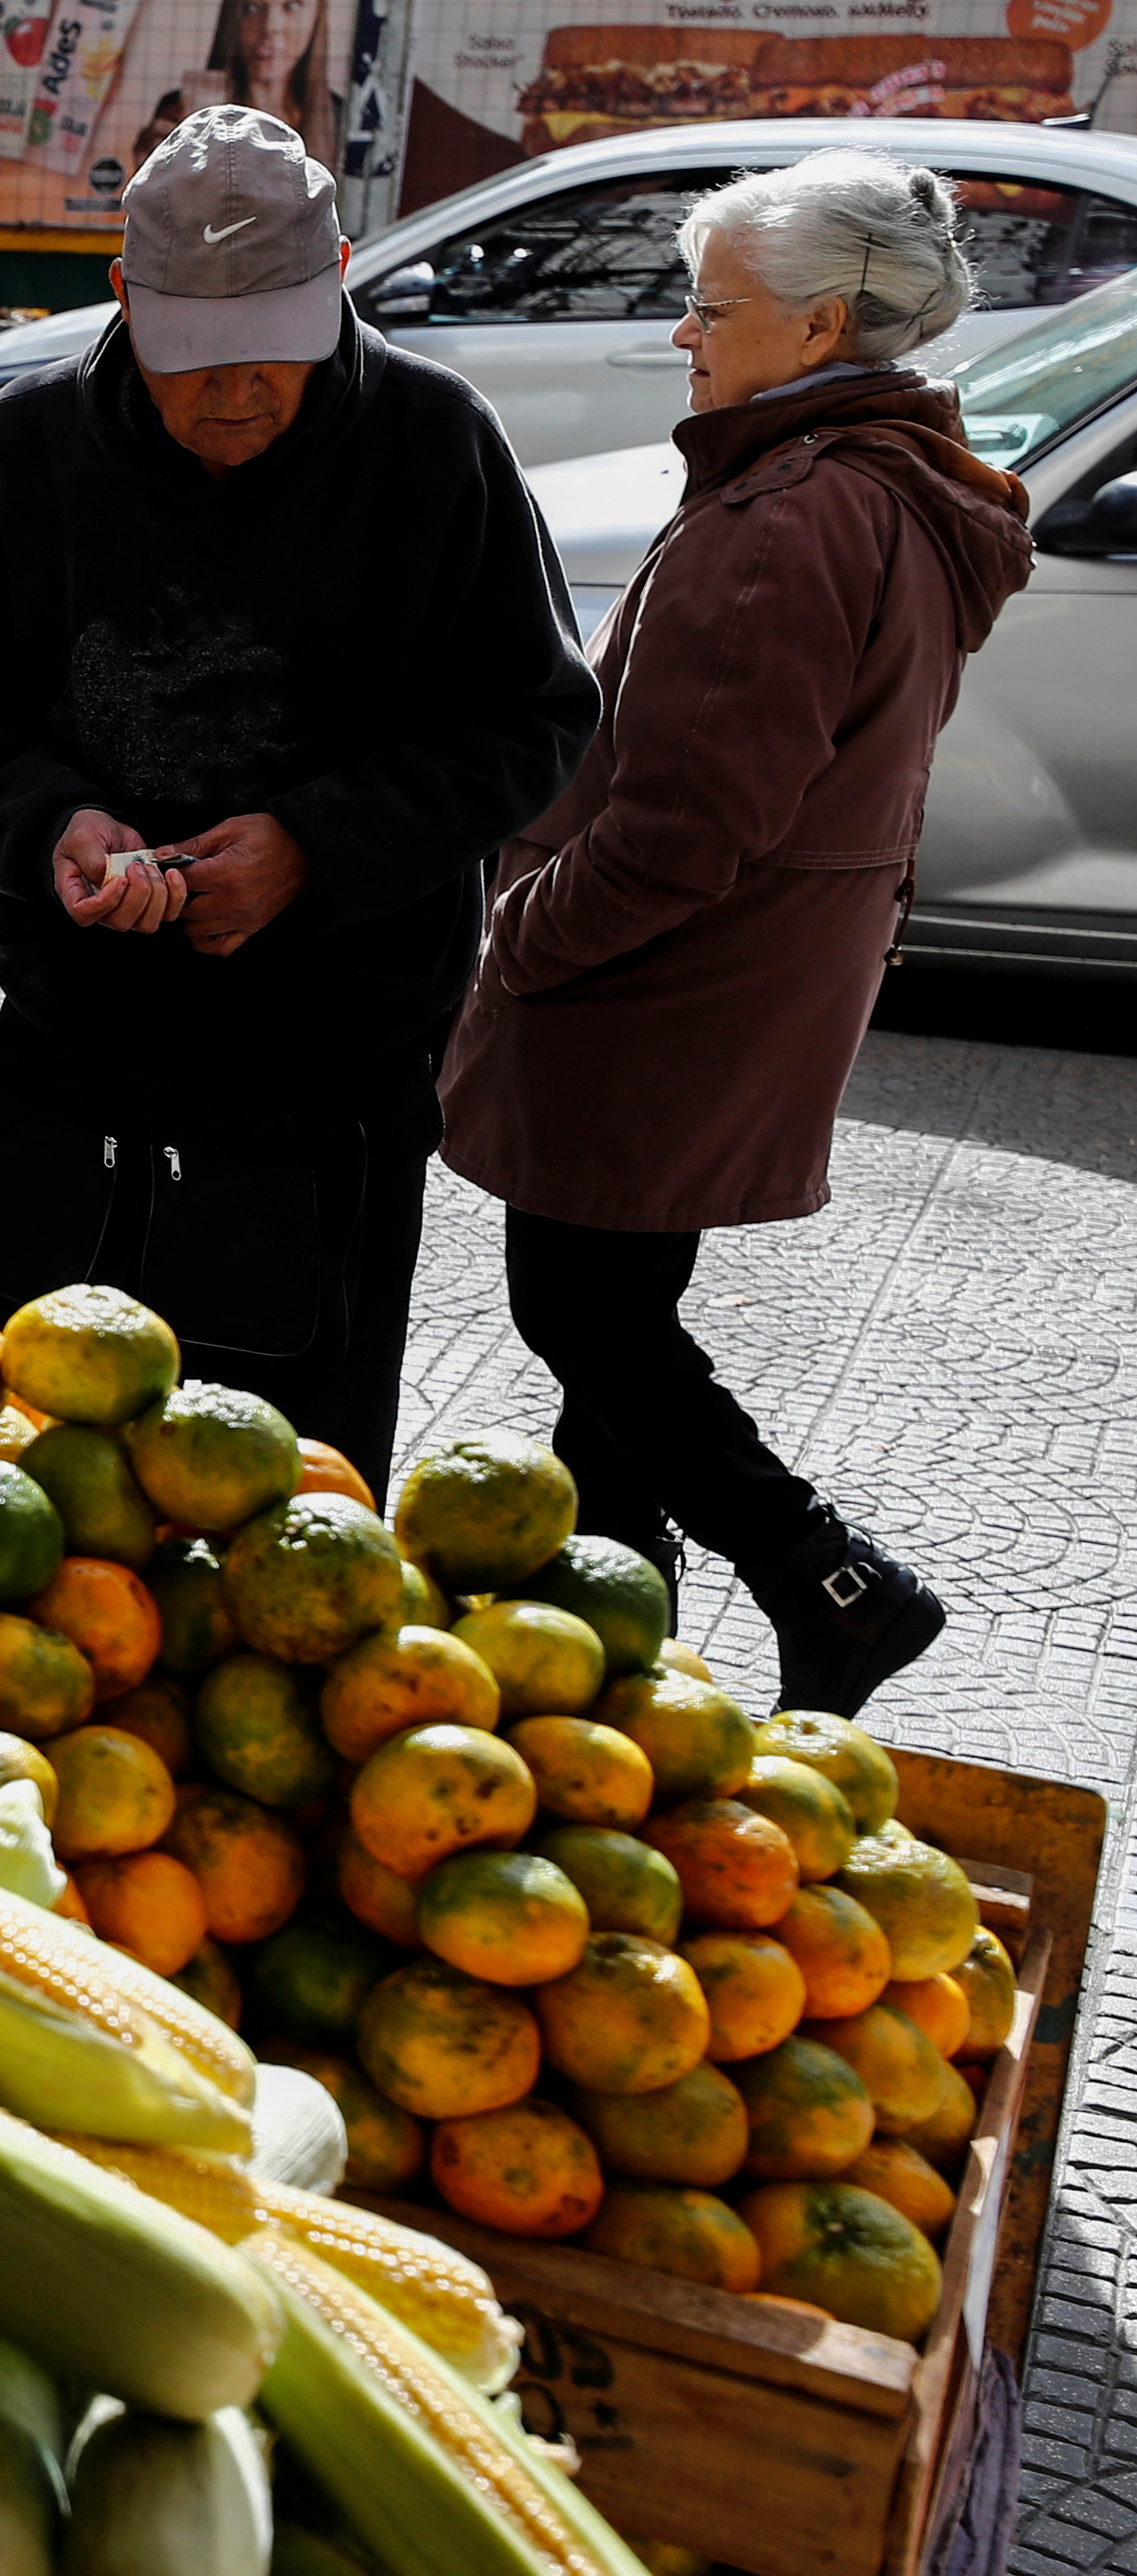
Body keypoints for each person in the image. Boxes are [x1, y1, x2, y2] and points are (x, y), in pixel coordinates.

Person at [0, 105, 598, 1484]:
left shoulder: (435, 444)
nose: (234, 394)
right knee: (42, 1469)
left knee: (289, 1483)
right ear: (125, 299)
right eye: (194, 358)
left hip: (334, 1073)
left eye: (273, 355)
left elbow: (532, 718)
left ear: (339, 287)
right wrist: (50, 828)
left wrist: (312, 850)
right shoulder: (26, 452)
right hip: (73, 1041)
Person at [437, 152, 1032, 1716]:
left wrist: (523, 935)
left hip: (661, 992)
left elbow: (686, 827)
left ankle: (831, 1583)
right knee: (613, 1321)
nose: (687, 334)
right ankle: (611, 1643)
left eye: (714, 307)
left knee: (585, 1312)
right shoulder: (878, 484)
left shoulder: (788, 518)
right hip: (738, 982)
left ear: (824, 323)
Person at [213, 0, 331, 165]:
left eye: (291, 6)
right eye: (251, 8)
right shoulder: (185, 110)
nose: (269, 27)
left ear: (317, 15)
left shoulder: (346, 120)